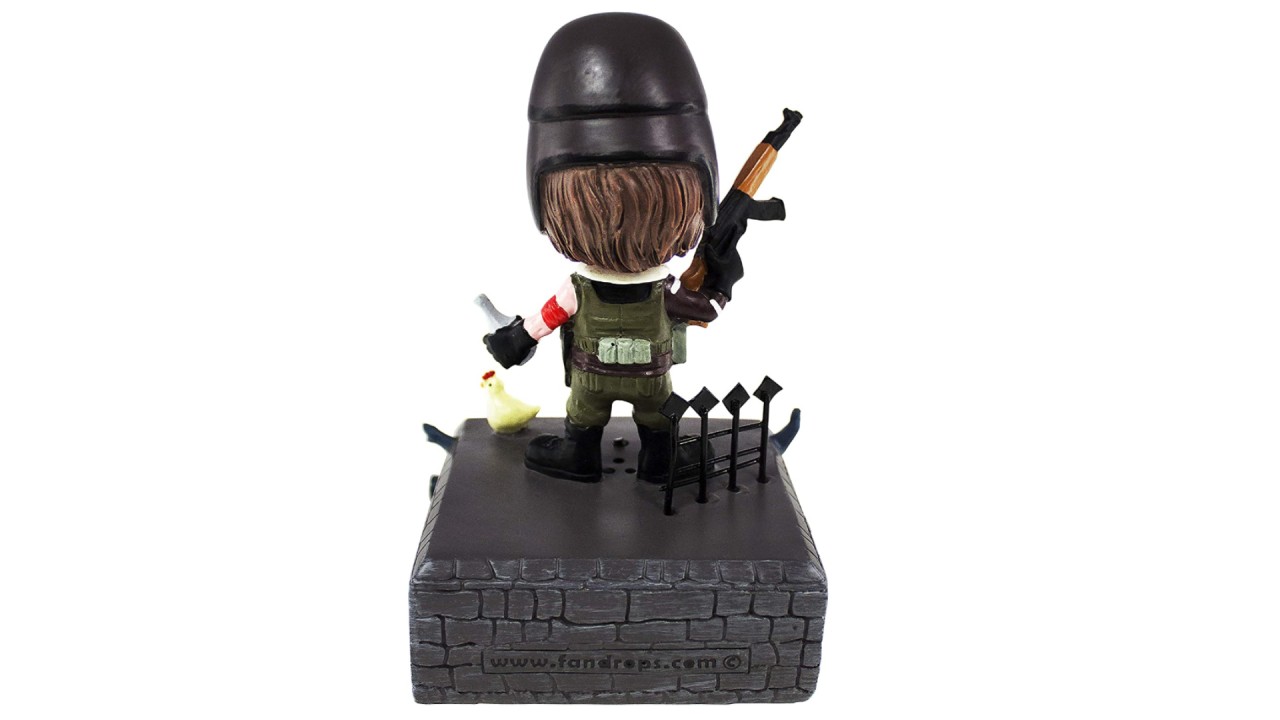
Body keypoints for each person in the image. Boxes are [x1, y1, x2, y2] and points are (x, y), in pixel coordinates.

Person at [483, 13, 734, 483]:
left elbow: (546, 319)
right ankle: (659, 459)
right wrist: (723, 282)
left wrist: (517, 339)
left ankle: (580, 455)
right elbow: (706, 309)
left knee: (583, 412)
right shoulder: (664, 292)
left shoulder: (576, 291)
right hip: (652, 381)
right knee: (658, 417)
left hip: (590, 377)